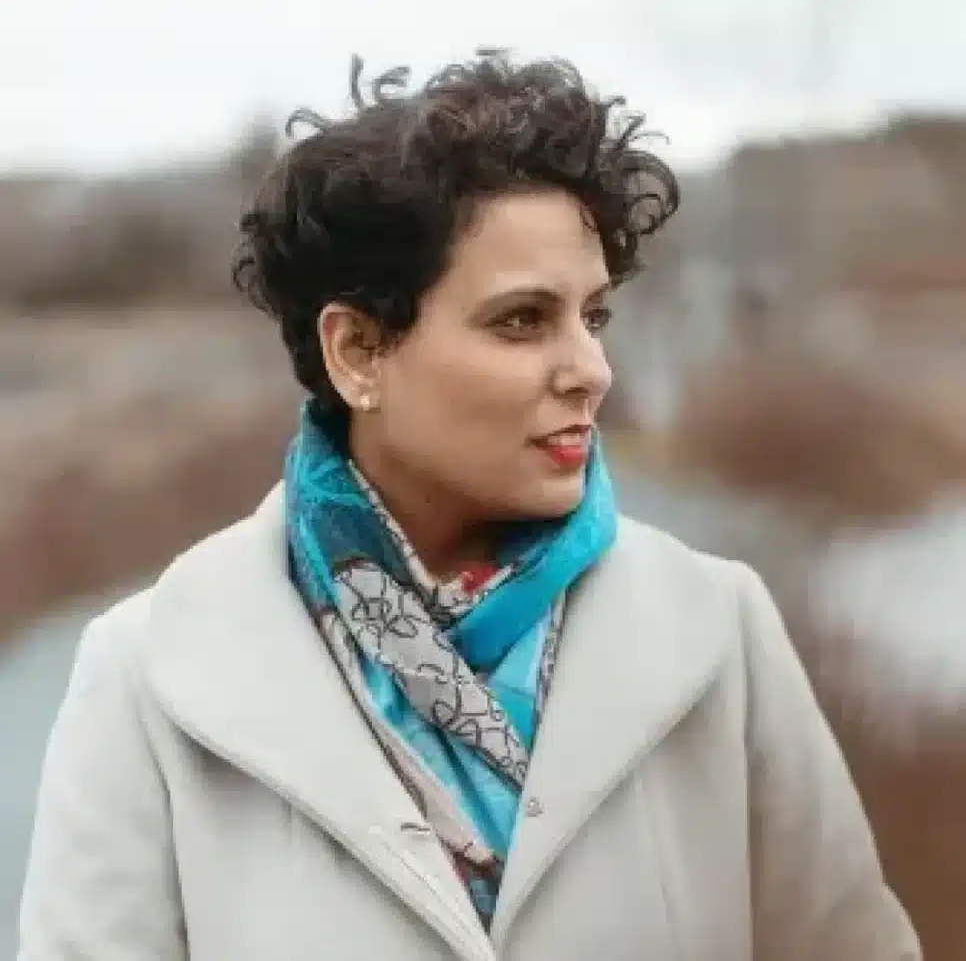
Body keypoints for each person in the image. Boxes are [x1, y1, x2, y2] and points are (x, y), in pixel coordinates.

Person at [18, 52, 919, 961]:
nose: (592, 370)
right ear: (357, 351)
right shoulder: (148, 677)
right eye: (522, 320)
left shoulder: (719, 632)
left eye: (593, 316)